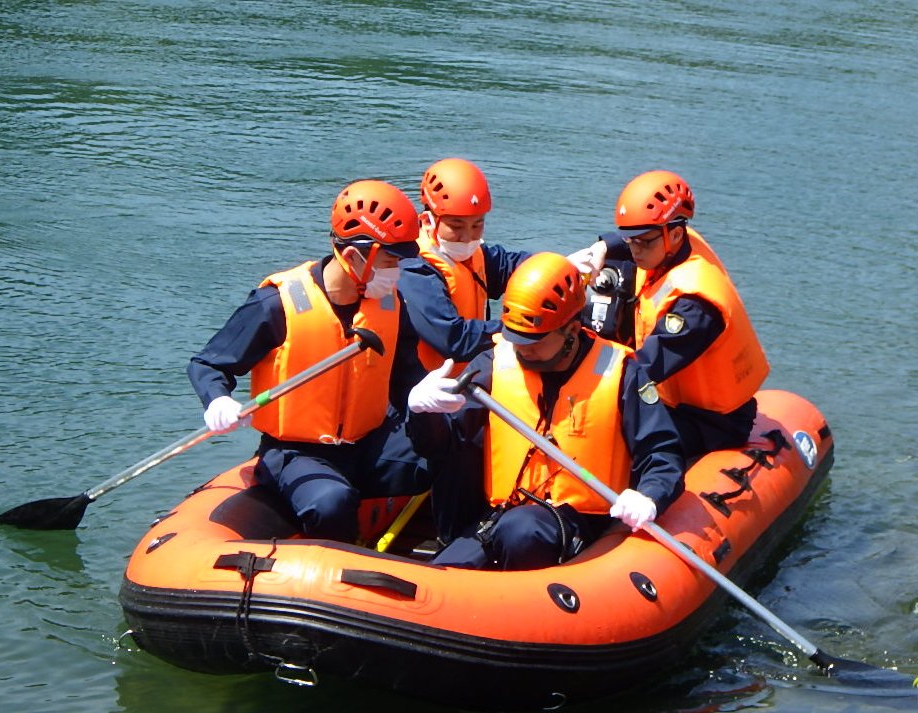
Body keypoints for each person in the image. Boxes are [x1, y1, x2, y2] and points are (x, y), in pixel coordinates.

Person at [406, 252, 686, 571]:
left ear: (571, 329)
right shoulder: (493, 365)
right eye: (516, 338)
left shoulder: (622, 373)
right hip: (501, 515)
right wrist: (422, 414)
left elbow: (661, 451)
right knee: (453, 564)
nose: (523, 348)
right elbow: (440, 447)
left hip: (580, 521)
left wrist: (649, 495)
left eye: (535, 340)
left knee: (521, 530)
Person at [187, 179, 430, 543]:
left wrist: (430, 394)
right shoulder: (276, 305)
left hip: (369, 444)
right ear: (353, 257)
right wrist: (217, 399)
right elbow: (209, 364)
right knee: (332, 501)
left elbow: (407, 375)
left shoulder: (390, 305)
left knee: (453, 453)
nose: (398, 271)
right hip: (295, 451)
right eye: (391, 261)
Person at [577, 170, 770, 459]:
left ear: (675, 234)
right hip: (673, 401)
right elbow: (636, 238)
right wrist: (603, 246)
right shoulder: (675, 242)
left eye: (644, 242)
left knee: (610, 435)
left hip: (711, 421)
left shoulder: (694, 306)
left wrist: (581, 383)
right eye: (630, 241)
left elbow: (646, 366)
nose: (635, 250)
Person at [397, 158, 530, 375]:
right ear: (428, 220)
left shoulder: (474, 254)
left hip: (465, 385)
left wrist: (561, 267)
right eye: (456, 226)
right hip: (424, 395)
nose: (467, 237)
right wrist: (524, 330)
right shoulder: (414, 269)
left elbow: (511, 265)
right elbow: (454, 338)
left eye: (477, 225)